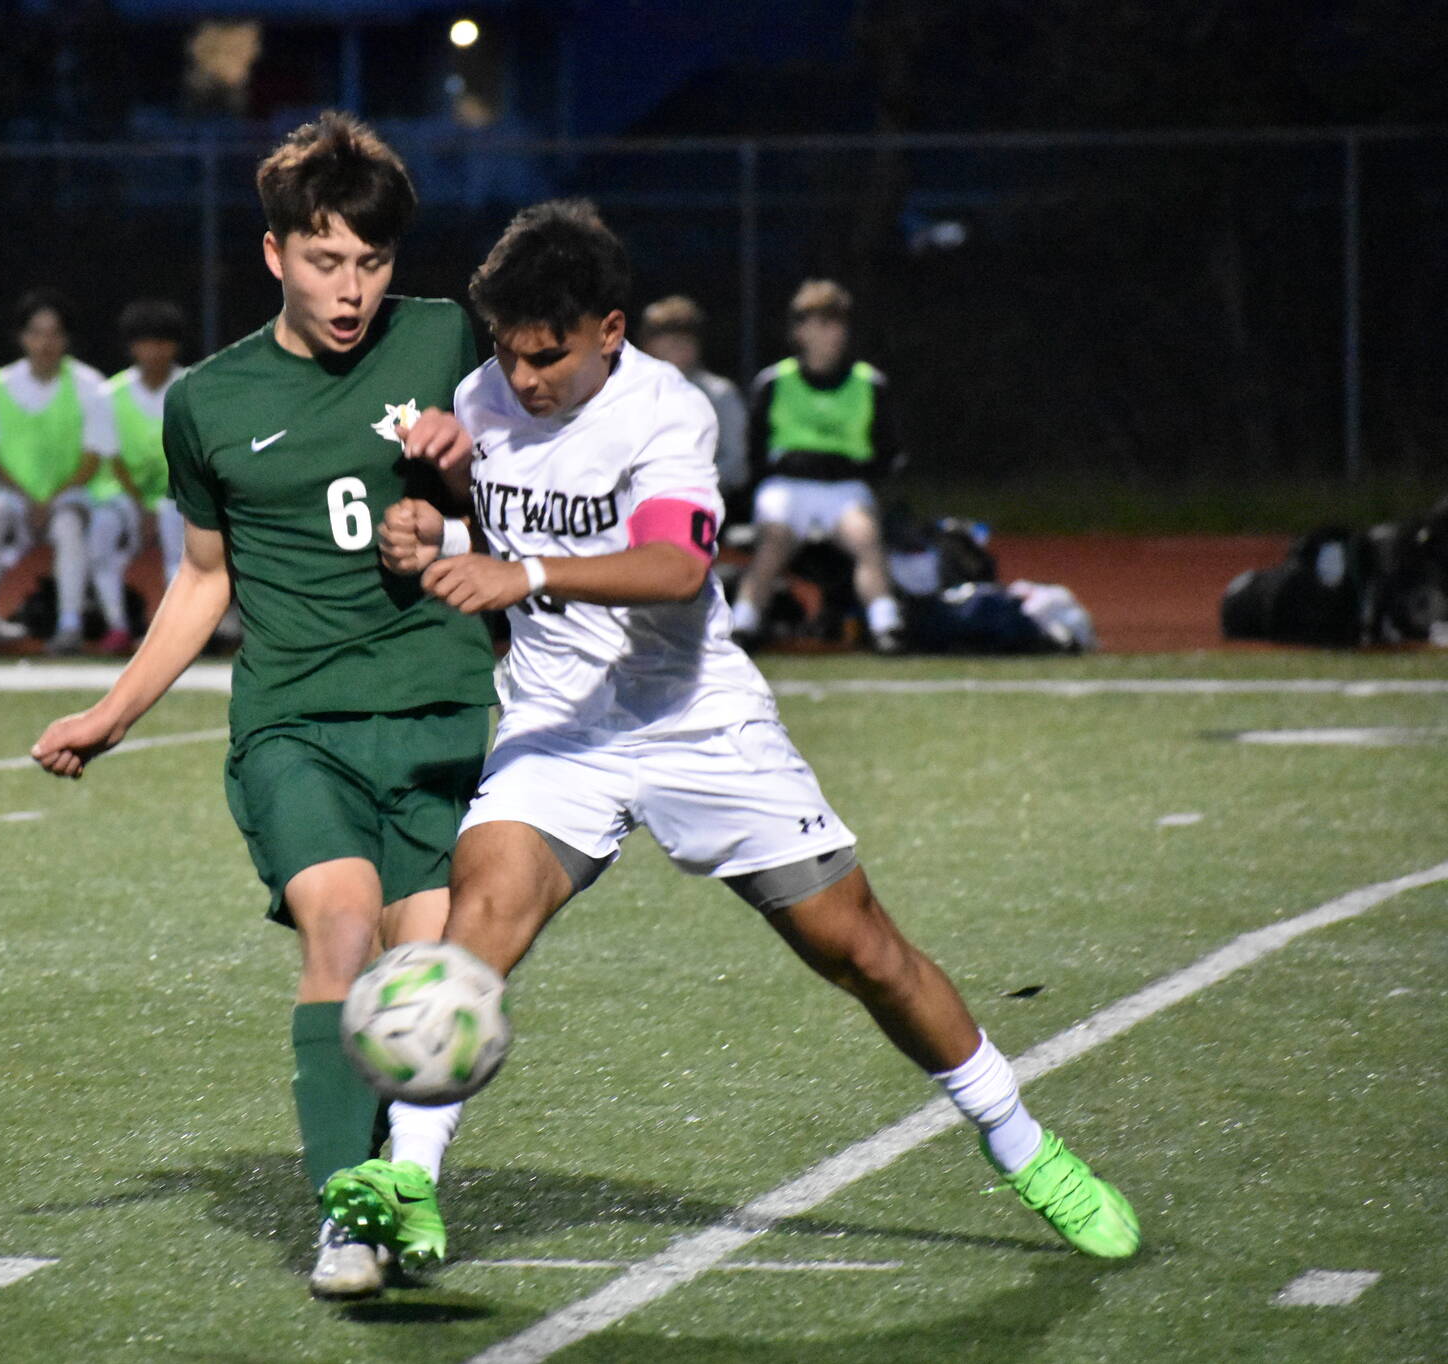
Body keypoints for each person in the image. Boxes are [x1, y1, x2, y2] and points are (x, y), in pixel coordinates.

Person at [378, 200, 1140, 1260]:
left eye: (545, 355)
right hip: (557, 726)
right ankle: (408, 1181)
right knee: (481, 915)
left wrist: (525, 570)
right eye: (505, 355)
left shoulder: (666, 411)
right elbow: (481, 517)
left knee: (861, 952)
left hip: (693, 722)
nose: (523, 378)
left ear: (610, 327)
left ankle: (1022, 1147)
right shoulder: (481, 397)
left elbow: (677, 568)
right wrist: (432, 517)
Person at [30, 112, 497, 1300]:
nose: (351, 291)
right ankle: (346, 1214)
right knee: (339, 927)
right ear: (274, 253)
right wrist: (112, 712)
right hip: (296, 723)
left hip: (442, 715)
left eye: (373, 263)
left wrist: (459, 491)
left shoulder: (447, 342)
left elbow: (533, 500)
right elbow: (202, 577)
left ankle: (396, 1173)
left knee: (427, 977)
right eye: (327, 260)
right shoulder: (208, 401)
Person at [729, 280, 906, 651]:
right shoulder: (774, 382)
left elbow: (888, 453)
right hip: (787, 486)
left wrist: (844, 468)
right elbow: (755, 453)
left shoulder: (869, 383)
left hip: (844, 488)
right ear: (800, 331)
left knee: (865, 538)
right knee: (774, 541)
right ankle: (742, 626)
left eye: (838, 324)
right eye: (821, 324)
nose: (833, 333)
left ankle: (887, 625)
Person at [0, 289, 117, 658]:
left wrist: (51, 500)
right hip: (16, 496)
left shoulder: (91, 386)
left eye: (54, 333)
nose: (46, 342)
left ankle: (70, 626)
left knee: (69, 527)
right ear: (22, 338)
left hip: (71, 495)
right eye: (37, 332)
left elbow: (93, 457)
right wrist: (29, 500)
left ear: (67, 339)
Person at [95, 298, 193, 646]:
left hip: (178, 494)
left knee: (177, 541)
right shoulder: (109, 394)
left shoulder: (192, 389)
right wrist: (140, 507)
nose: (154, 350)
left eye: (162, 341)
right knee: (102, 534)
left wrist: (160, 504)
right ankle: (117, 624)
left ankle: (176, 631)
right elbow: (113, 458)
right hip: (125, 495)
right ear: (132, 346)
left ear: (175, 345)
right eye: (146, 342)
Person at [637, 295, 747, 512]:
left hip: (703, 503)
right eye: (667, 338)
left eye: (685, 338)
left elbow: (737, 466)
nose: (677, 346)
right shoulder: (626, 393)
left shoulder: (721, 394)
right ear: (647, 344)